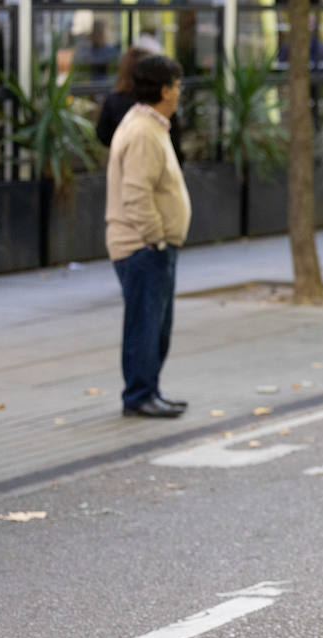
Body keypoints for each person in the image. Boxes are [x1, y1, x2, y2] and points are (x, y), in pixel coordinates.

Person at [105, 54, 191, 420]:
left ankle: (149, 390)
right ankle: (139, 395)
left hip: (151, 246)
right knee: (145, 325)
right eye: (177, 85)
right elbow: (136, 193)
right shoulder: (142, 131)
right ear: (166, 90)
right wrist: (155, 238)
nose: (180, 92)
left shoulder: (151, 125)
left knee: (156, 326)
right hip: (142, 247)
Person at [97, 46, 184, 163]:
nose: (178, 92)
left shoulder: (115, 101)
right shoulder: (151, 115)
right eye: (176, 86)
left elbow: (102, 134)